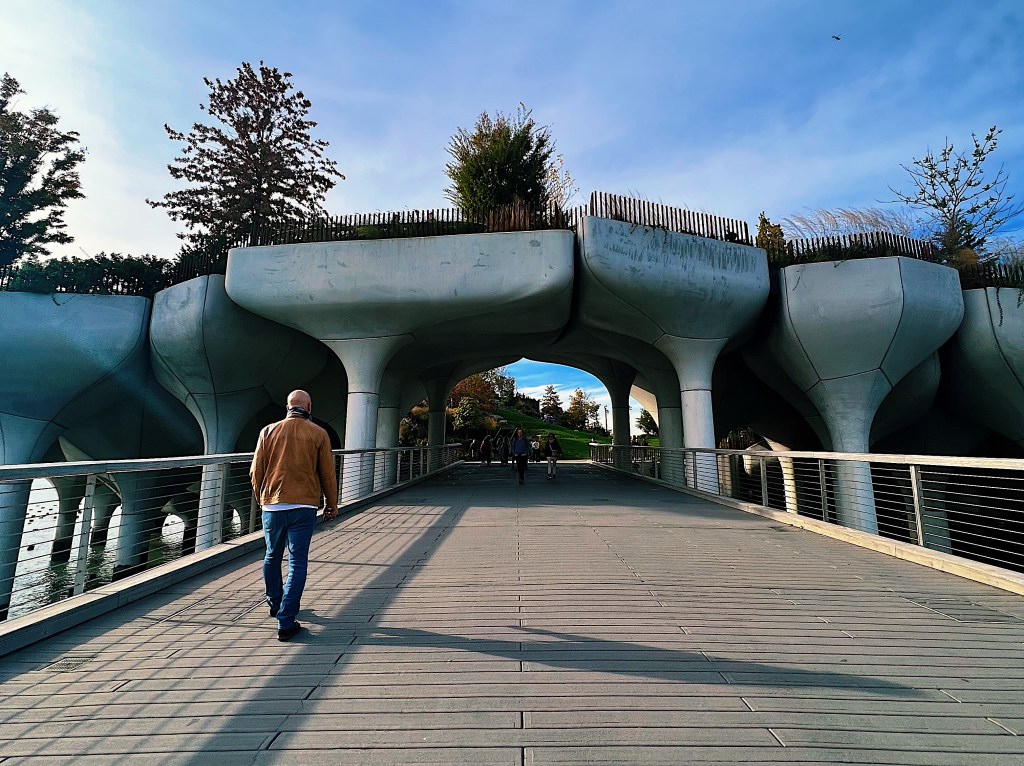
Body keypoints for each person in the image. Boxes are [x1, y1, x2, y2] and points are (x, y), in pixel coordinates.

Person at [250, 389, 338, 642]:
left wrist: (262, 498)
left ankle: (275, 603)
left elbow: (255, 471)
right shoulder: (319, 433)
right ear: (309, 407)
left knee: (271, 555)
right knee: (297, 562)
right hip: (304, 505)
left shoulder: (268, 431)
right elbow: (327, 473)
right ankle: (286, 620)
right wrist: (331, 504)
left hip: (272, 506)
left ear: (287, 407)